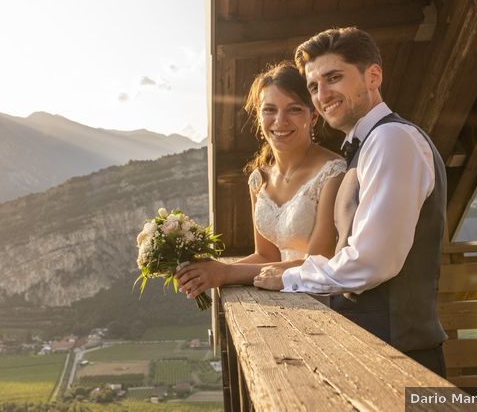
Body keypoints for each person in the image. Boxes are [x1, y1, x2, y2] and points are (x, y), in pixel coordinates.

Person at [253, 27, 448, 376]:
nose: (322, 94)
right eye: (314, 86)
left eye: (334, 77)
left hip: (400, 358)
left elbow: (371, 263)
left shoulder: (391, 140)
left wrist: (289, 278)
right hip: (372, 350)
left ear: (373, 76)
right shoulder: (370, 145)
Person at [175, 61, 346, 298]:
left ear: (313, 116)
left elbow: (319, 262)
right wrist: (207, 271)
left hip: (321, 301)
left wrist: (226, 273)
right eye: (269, 110)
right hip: (278, 300)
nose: (280, 120)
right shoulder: (259, 179)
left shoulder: (333, 172)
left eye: (294, 109)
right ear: (258, 115)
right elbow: (267, 256)